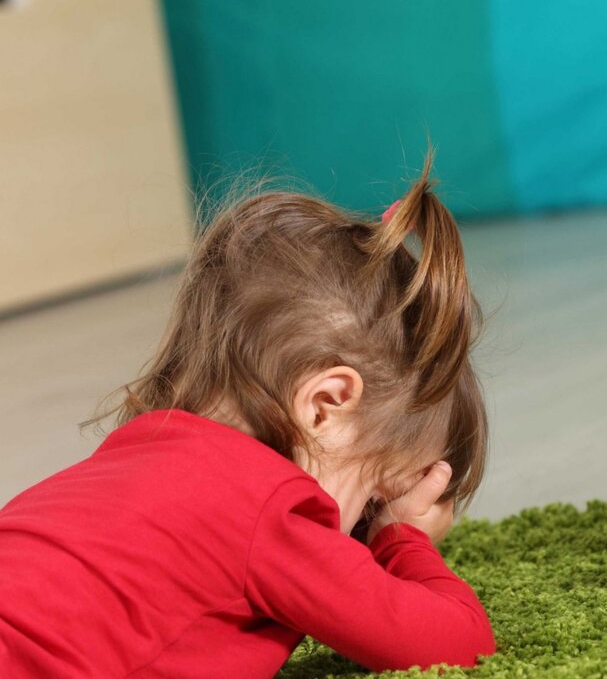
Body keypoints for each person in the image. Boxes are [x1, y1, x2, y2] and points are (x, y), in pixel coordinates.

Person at [0, 159, 496, 675]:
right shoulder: (271, 509)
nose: (354, 540)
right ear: (324, 406)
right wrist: (402, 539)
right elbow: (461, 643)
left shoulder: (124, 461)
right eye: (372, 502)